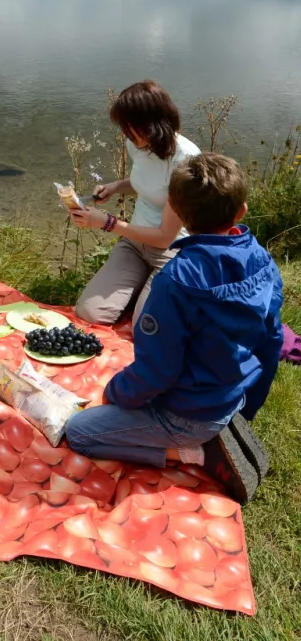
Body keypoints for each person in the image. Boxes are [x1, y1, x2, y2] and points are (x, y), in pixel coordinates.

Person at [65, 153, 283, 503]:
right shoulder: (262, 261)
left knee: (78, 433)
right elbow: (271, 343)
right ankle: (218, 432)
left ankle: (196, 453)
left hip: (188, 416)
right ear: (241, 212)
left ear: (177, 214)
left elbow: (157, 372)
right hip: (233, 398)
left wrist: (114, 394)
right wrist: (247, 410)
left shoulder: (176, 280)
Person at [71, 81, 200, 327]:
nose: (125, 134)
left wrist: (108, 222)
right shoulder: (138, 145)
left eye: (129, 127)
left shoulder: (186, 160)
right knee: (90, 313)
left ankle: (153, 292)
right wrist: (115, 187)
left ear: (152, 124)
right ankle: (144, 288)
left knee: (147, 327)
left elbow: (165, 237)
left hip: (171, 251)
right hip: (135, 244)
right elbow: (149, 183)